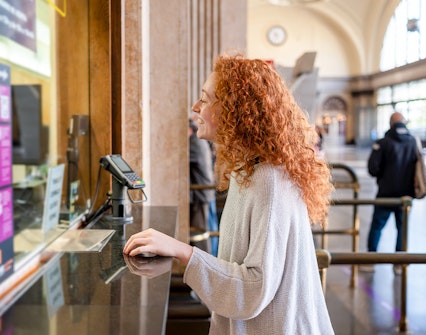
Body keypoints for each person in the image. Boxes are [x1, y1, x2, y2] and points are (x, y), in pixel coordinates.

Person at [123, 54, 335, 334]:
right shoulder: (249, 169)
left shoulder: (268, 179)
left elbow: (255, 289)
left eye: (206, 99)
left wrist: (180, 251)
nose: (195, 107)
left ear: (236, 110)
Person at [363, 112, 418, 275]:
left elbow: (372, 168)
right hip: (406, 195)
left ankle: (370, 260)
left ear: (390, 123)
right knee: (402, 227)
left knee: (377, 226)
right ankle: (399, 264)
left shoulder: (383, 142)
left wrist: (383, 175)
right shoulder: (413, 142)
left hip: (385, 193)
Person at [188, 119, 216, 253]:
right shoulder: (198, 140)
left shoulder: (194, 142)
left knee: (200, 233)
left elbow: (180, 161)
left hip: (200, 194)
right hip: (203, 192)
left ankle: (205, 266)